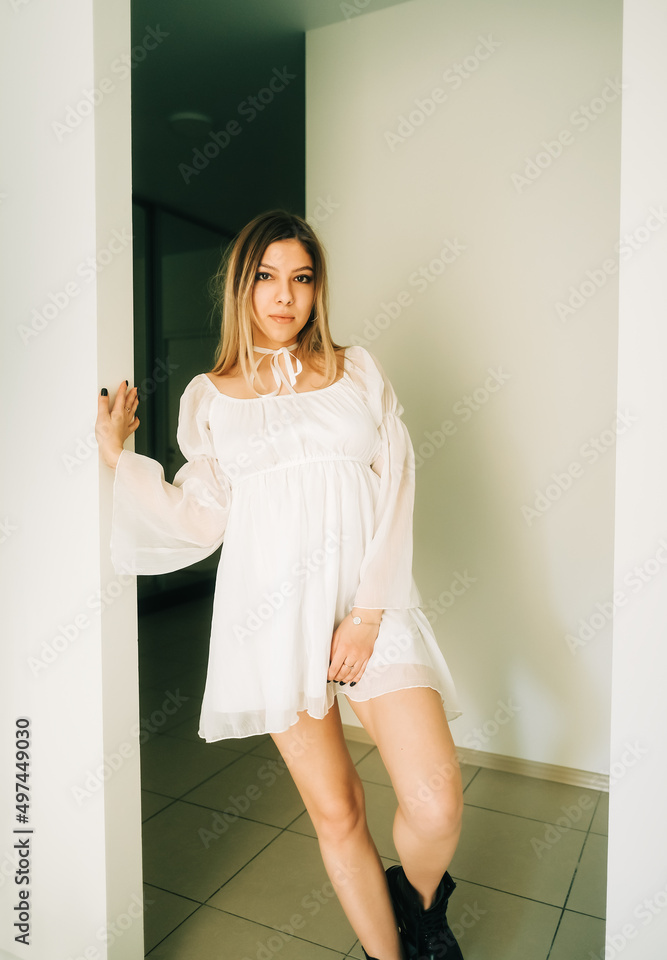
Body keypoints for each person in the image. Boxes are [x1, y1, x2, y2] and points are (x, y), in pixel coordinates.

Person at [95, 209, 465, 960]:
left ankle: (421, 911)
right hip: (268, 615)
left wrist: (365, 615)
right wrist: (117, 460)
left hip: (369, 604)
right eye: (266, 276)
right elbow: (201, 515)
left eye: (301, 277)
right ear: (241, 287)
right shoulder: (209, 398)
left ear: (316, 289)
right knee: (337, 811)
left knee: (433, 803)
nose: (283, 295)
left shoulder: (357, 369)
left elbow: (396, 483)